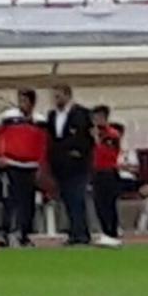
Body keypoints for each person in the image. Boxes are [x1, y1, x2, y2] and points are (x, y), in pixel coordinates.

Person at [0, 90, 46, 247]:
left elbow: (44, 144)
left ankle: (24, 234)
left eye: (24, 101)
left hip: (31, 166)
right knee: (10, 199)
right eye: (20, 100)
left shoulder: (40, 121)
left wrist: (42, 164)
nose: (21, 104)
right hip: (11, 163)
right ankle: (5, 232)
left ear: (32, 103)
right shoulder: (8, 117)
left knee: (28, 203)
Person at [46, 84, 94, 246]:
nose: (56, 100)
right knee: (67, 198)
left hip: (77, 164)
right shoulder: (52, 116)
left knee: (77, 197)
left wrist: (78, 152)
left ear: (67, 96)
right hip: (60, 164)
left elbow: (87, 139)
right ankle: (74, 232)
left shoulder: (81, 114)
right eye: (54, 97)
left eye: (58, 96)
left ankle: (82, 233)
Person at [89, 105, 127, 247]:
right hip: (96, 172)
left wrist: (96, 140)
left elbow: (108, 153)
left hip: (108, 171)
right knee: (99, 204)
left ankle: (112, 231)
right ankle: (105, 231)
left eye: (98, 117)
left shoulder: (111, 134)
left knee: (109, 204)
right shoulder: (94, 133)